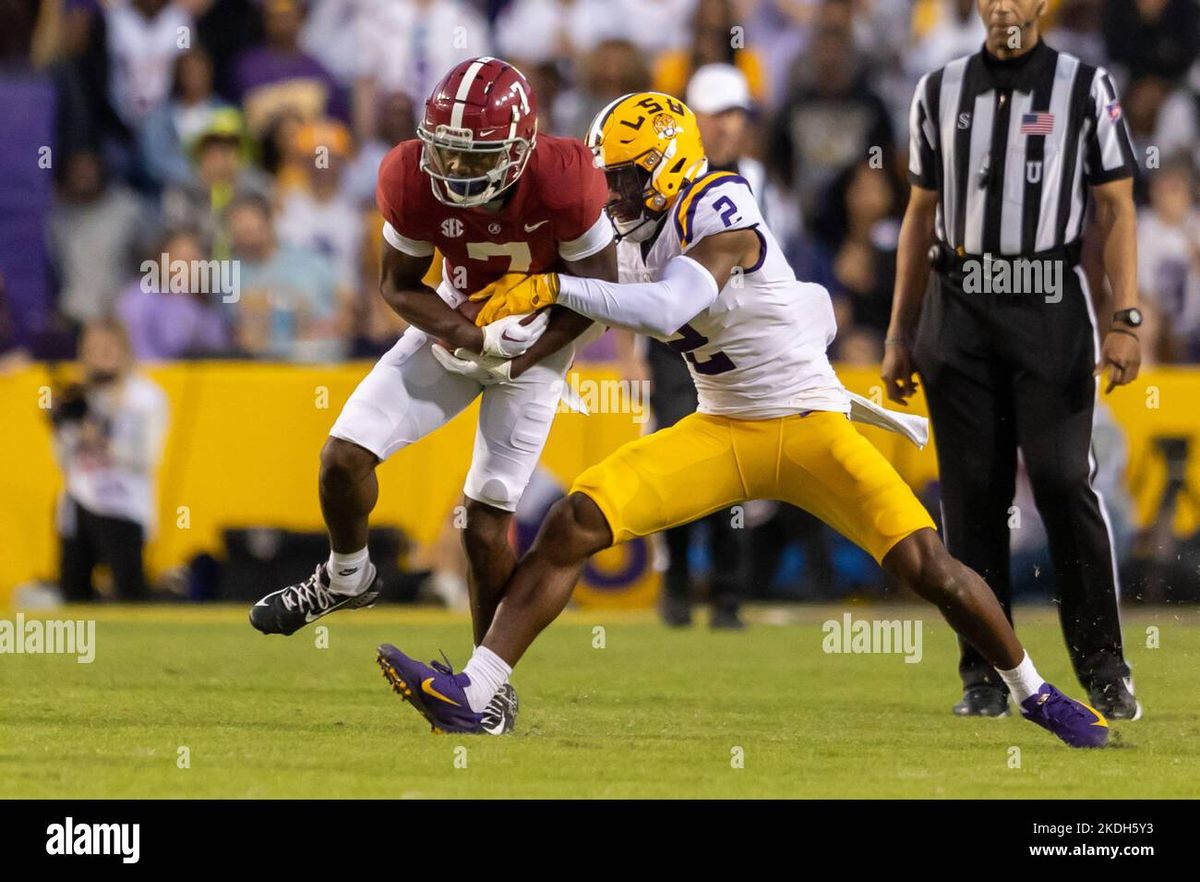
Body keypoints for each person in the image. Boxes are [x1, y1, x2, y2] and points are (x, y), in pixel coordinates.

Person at [377, 91, 1109, 749]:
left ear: (668, 167)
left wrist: (550, 283)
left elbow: (668, 306)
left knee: (931, 569)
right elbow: (585, 304)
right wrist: (497, 322)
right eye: (607, 175)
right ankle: (476, 693)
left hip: (808, 426)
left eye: (627, 176)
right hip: (723, 428)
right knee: (575, 522)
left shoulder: (720, 199)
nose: (613, 190)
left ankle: (1035, 693)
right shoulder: (617, 235)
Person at [247, 58, 619, 736]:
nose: (452, 166)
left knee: (483, 523)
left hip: (539, 344)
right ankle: (346, 576)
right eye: (444, 148)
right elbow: (398, 283)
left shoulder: (565, 176)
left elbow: (603, 295)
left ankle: (485, 689)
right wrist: (468, 336)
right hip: (460, 323)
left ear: (521, 145)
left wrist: (527, 350)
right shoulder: (408, 174)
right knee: (341, 458)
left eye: (472, 154)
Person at [882, 0, 1143, 720]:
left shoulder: (1085, 86)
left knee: (1063, 479)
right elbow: (919, 213)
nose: (1002, 5)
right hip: (956, 304)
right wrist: (900, 333)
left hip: (1048, 300)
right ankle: (984, 676)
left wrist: (1125, 316)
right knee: (971, 497)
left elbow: (1117, 206)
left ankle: (1104, 667)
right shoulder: (937, 89)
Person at [51, 317, 168, 601]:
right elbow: (63, 462)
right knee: (74, 595)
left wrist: (104, 440)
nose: (101, 356)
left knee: (130, 593)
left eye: (108, 348)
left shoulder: (145, 397)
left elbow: (147, 458)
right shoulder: (79, 395)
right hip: (80, 501)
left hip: (124, 505)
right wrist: (64, 425)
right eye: (93, 349)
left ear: (124, 349)